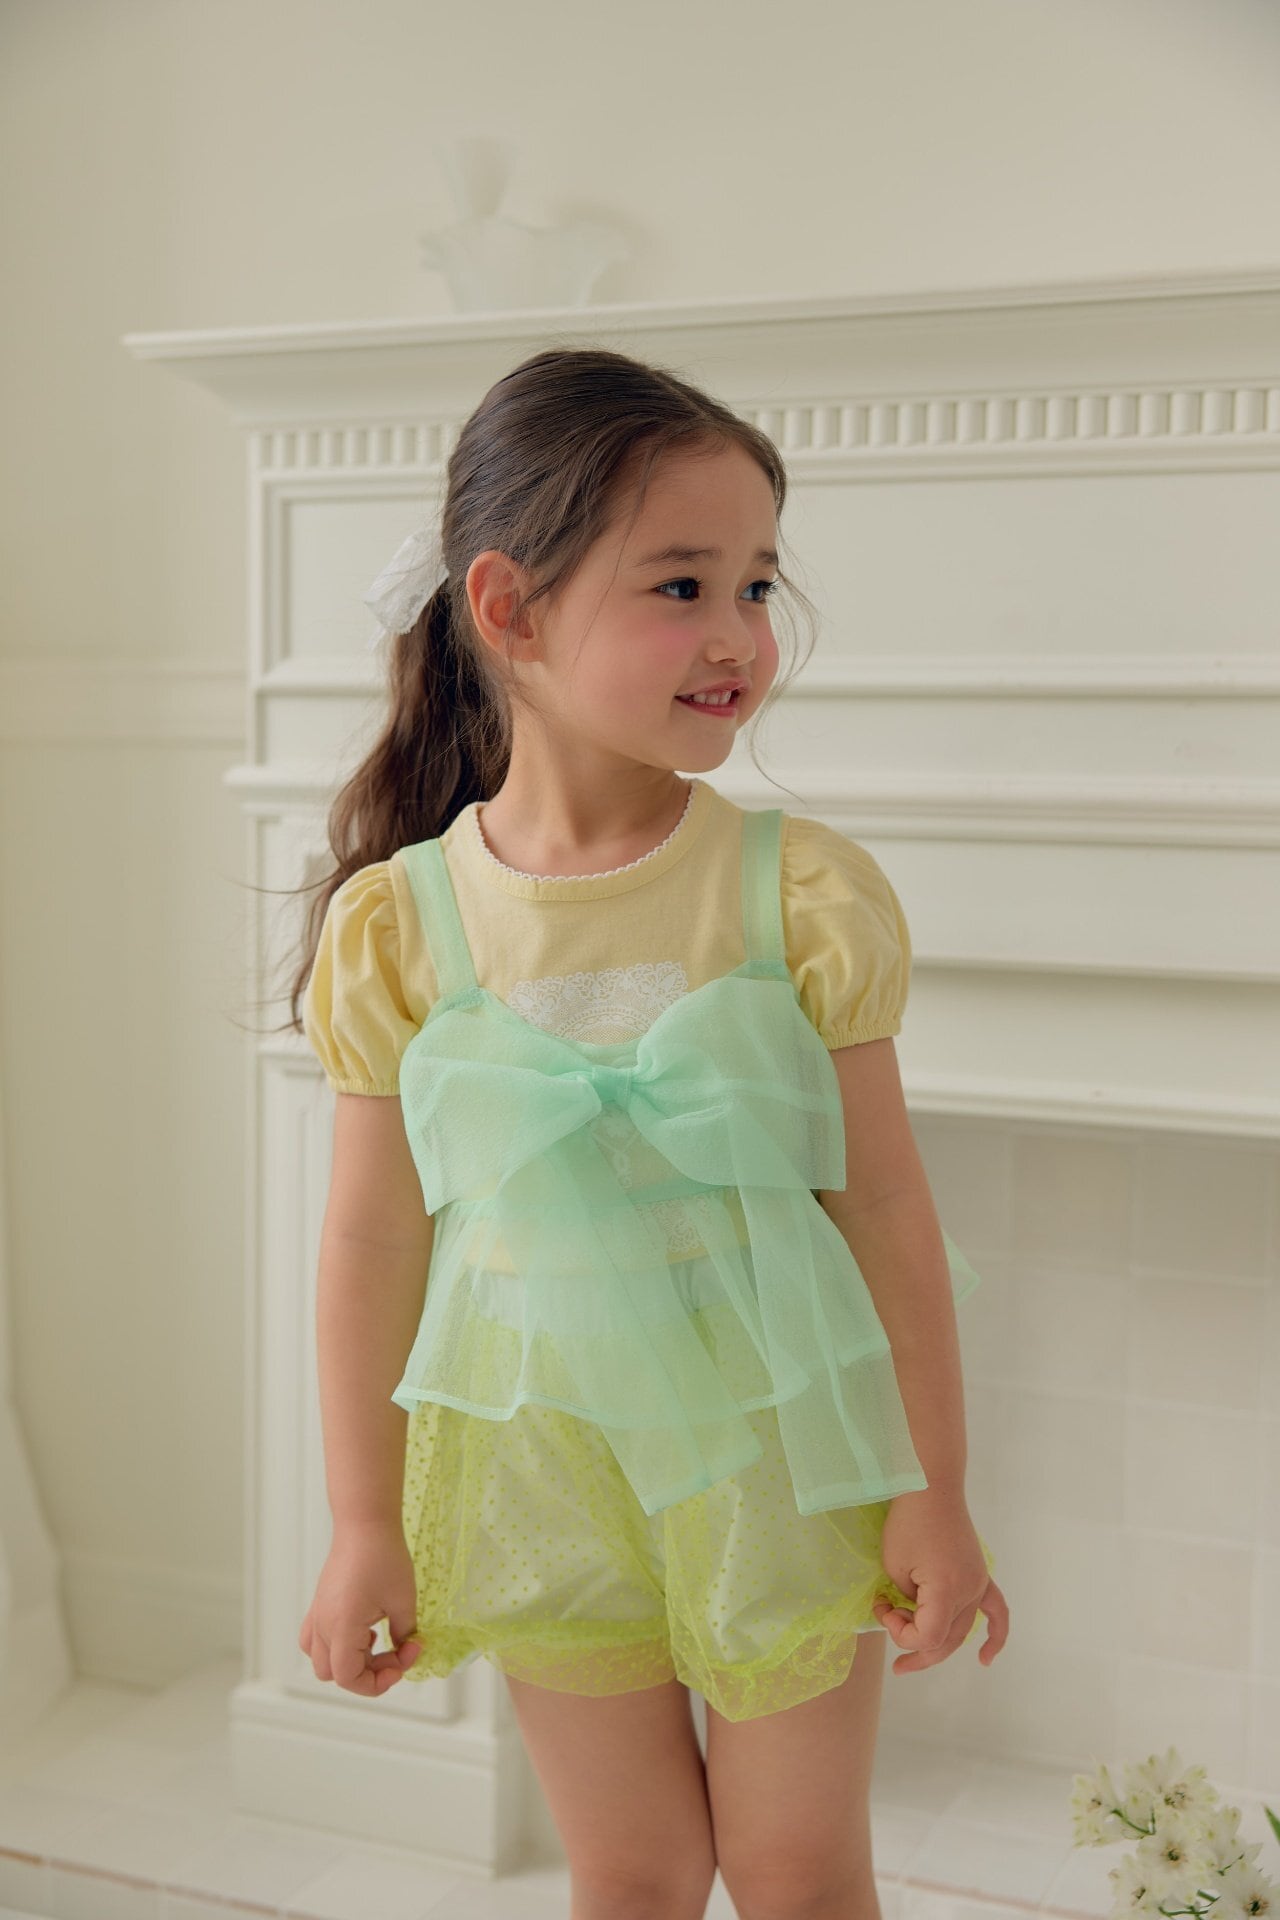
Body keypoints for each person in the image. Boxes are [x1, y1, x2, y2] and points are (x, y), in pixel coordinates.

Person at [291, 344, 1009, 1919]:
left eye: (756, 585)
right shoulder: (404, 928)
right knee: (632, 1873)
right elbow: (369, 1241)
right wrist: (362, 1521)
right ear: (510, 608)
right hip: (540, 1461)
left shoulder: (793, 892)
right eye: (682, 586)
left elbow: (887, 1207)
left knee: (797, 1870)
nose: (739, 634)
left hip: (790, 1455)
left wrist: (934, 1484)